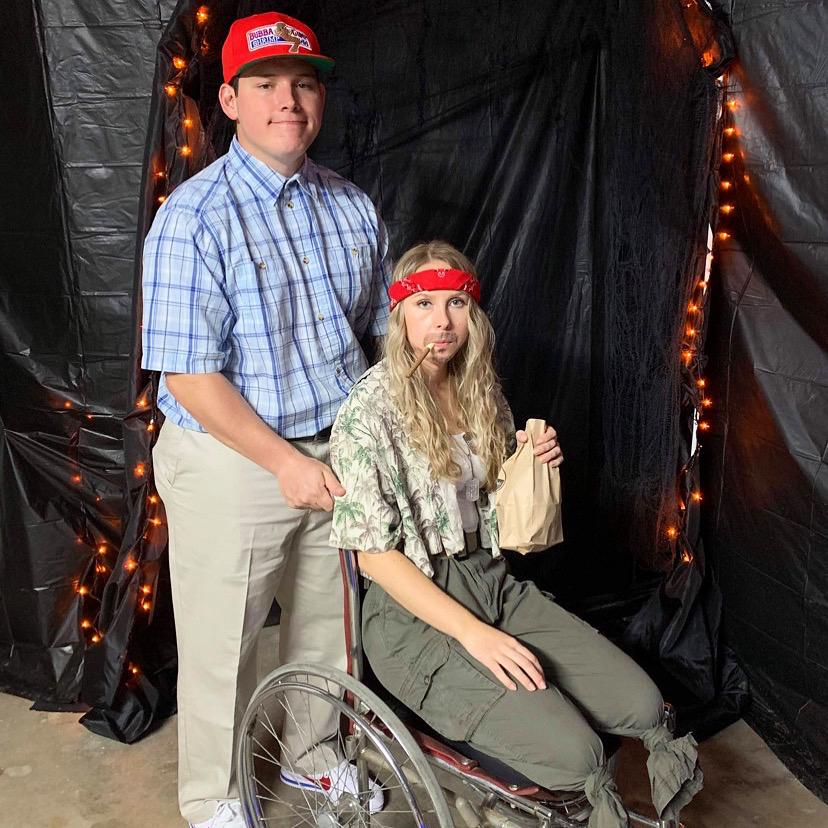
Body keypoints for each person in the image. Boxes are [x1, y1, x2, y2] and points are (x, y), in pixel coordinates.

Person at [329, 241, 703, 827]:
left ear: (473, 312)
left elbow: (504, 519)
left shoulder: (480, 392)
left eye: (455, 303)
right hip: (412, 618)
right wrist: (474, 635)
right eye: (424, 304)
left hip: (494, 585)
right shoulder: (367, 412)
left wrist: (533, 463)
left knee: (644, 704)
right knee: (576, 754)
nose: (441, 321)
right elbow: (373, 558)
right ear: (399, 314)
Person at [142, 12, 389, 827]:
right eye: (267, 84)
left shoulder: (351, 206)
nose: (289, 101)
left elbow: (379, 333)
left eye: (303, 84)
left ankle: (314, 759)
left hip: (334, 451)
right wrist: (283, 462)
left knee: (328, 631)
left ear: (320, 98)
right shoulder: (194, 216)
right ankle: (214, 798)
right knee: (224, 644)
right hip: (230, 458)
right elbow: (189, 376)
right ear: (230, 101)